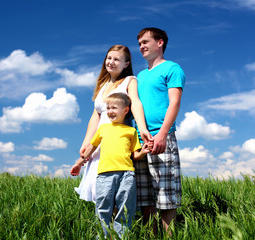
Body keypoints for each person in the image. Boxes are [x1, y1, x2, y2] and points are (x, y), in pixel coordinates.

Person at [74, 45, 152, 203]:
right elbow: (96, 115)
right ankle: (104, 226)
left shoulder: (130, 81)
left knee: (114, 187)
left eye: (117, 59)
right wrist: (86, 142)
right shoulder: (102, 85)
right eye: (109, 58)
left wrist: (142, 128)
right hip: (100, 138)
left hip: (116, 137)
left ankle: (117, 226)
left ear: (126, 64)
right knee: (98, 187)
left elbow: (136, 103)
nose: (111, 62)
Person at [71, 93, 151, 238]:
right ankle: (104, 236)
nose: (110, 111)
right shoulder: (103, 129)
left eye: (114, 107)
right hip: (104, 175)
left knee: (125, 208)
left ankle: (122, 237)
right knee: (103, 207)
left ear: (125, 110)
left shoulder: (131, 131)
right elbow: (91, 149)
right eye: (108, 108)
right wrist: (79, 163)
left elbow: (135, 156)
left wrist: (144, 151)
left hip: (126, 174)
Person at [134, 27, 186, 236]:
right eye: (139, 44)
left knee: (166, 197)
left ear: (160, 42)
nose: (141, 47)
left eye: (145, 42)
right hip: (140, 139)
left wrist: (163, 133)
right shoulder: (139, 76)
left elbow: (175, 103)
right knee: (145, 199)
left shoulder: (172, 68)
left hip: (161, 136)